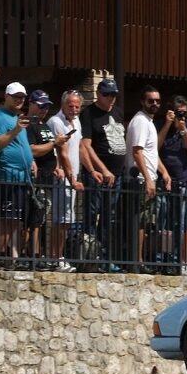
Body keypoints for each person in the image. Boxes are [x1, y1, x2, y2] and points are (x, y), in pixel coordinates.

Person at [80, 78, 126, 268]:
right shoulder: (89, 113)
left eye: (113, 94)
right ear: (99, 94)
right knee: (92, 214)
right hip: (98, 175)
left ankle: (105, 257)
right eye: (107, 94)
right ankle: (90, 255)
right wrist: (103, 169)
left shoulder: (117, 112)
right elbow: (86, 145)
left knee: (109, 216)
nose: (111, 99)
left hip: (117, 175)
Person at [0, 83, 35, 268]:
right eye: (16, 96)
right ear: (6, 96)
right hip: (7, 176)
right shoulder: (0, 118)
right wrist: (15, 130)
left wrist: (30, 160)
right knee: (5, 219)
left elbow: (21, 147)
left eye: (22, 97)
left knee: (14, 221)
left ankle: (8, 255)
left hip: (21, 178)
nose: (20, 100)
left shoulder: (17, 118)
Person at [157, 95, 187, 276]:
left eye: (184, 112)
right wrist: (168, 125)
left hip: (184, 181)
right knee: (163, 223)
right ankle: (163, 260)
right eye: (178, 112)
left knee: (183, 223)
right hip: (165, 181)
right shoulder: (161, 124)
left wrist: (183, 130)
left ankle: (182, 261)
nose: (181, 115)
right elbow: (155, 148)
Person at [125, 85, 166, 272]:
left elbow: (151, 153)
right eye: (151, 101)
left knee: (146, 222)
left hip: (149, 178)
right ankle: (137, 260)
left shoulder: (149, 122)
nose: (155, 104)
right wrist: (149, 179)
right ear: (142, 102)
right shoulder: (141, 121)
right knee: (140, 222)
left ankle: (140, 259)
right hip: (140, 180)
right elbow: (137, 151)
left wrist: (164, 173)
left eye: (157, 101)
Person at [25, 89, 67, 270]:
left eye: (46, 107)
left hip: (49, 178)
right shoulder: (29, 125)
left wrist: (57, 167)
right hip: (37, 178)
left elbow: (51, 150)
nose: (43, 110)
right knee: (33, 218)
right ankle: (32, 255)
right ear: (31, 104)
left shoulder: (44, 125)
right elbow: (33, 150)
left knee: (41, 218)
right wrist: (54, 143)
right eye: (40, 106)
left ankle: (39, 254)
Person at [45, 90, 84, 273]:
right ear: (63, 105)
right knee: (61, 219)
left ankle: (57, 256)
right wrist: (69, 176)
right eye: (71, 105)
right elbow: (62, 152)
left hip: (73, 175)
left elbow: (79, 148)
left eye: (77, 106)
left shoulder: (76, 122)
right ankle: (55, 257)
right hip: (62, 176)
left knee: (67, 219)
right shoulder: (56, 122)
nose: (74, 109)